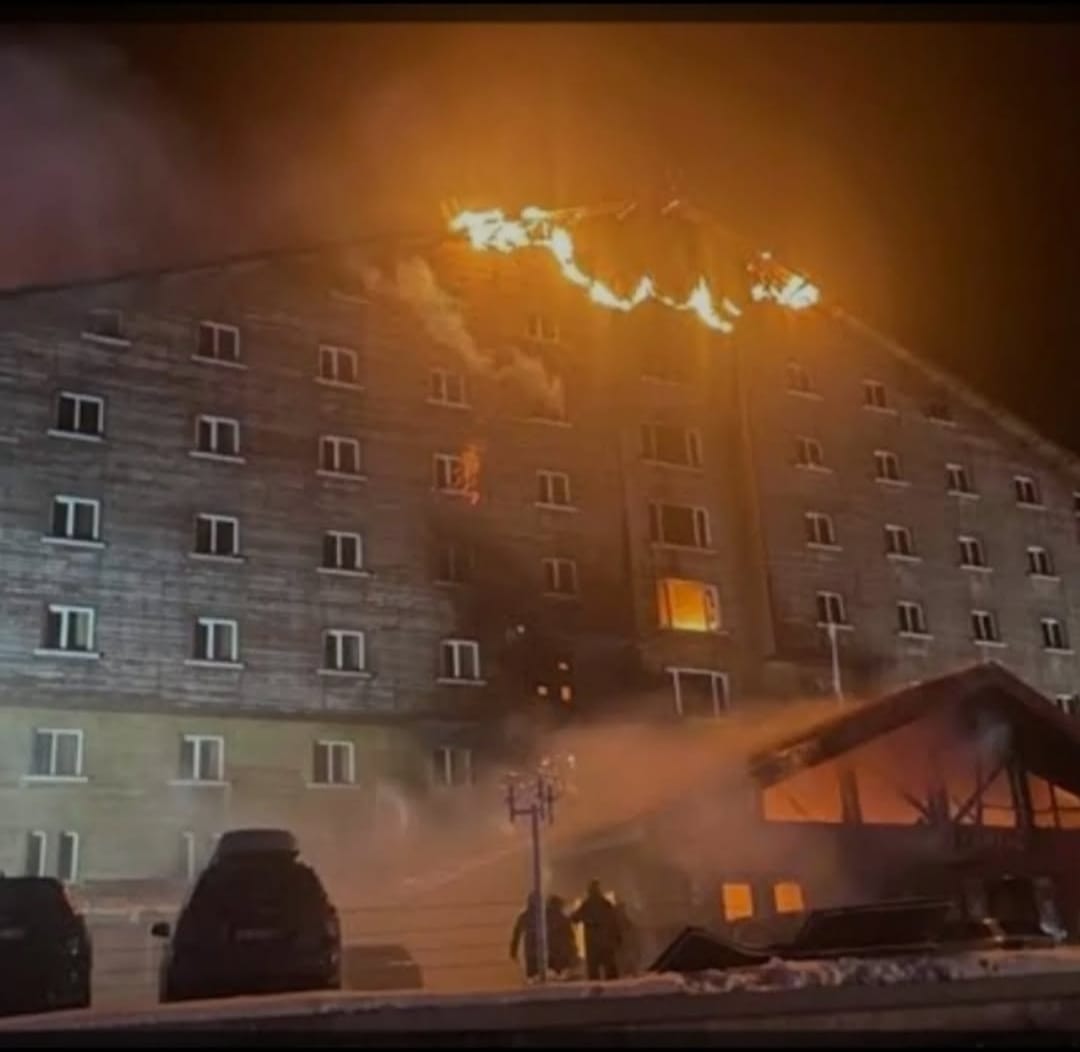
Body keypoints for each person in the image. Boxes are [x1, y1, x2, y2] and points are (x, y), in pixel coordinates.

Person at [570, 879, 621, 980]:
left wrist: (587, 921)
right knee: (610, 970)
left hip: (592, 943)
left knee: (594, 972)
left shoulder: (587, 905)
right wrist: (617, 936)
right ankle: (614, 989)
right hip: (606, 942)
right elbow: (614, 921)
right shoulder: (606, 904)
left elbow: (575, 918)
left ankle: (595, 991)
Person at [509, 892, 541, 982]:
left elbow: (516, 934)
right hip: (542, 950)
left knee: (532, 976)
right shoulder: (543, 915)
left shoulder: (524, 916)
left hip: (530, 950)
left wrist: (513, 951)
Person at [546, 895, 578, 979]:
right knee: (561, 975)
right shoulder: (563, 918)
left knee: (550, 975)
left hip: (548, 952)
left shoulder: (543, 919)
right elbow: (570, 936)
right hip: (561, 953)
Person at [613, 900, 640, 978]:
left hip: (628, 949)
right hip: (623, 949)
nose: (621, 913)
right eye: (619, 911)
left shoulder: (630, 925)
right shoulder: (617, 926)